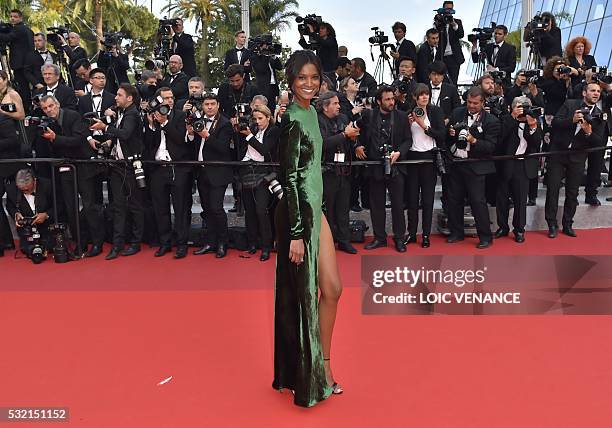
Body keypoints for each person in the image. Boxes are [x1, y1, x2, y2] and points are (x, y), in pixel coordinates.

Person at [273, 50, 343, 407]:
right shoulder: (292, 120)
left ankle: (325, 363)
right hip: (300, 215)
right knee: (305, 299)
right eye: (302, 78)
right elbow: (290, 177)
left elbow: (312, 170)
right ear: (291, 80)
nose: (309, 83)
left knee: (332, 289)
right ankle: (315, 375)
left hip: (318, 210)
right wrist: (298, 232)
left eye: (314, 78)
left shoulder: (313, 112)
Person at [89, 84, 145, 260]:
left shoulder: (133, 114)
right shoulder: (121, 113)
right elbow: (119, 137)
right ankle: (117, 244)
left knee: (135, 206)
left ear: (129, 98)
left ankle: (136, 243)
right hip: (116, 166)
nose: (115, 97)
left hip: (130, 167)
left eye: (119, 95)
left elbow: (126, 134)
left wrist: (105, 127)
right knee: (118, 207)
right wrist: (108, 142)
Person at [545, 82, 605, 238]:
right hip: (558, 153)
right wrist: (571, 120)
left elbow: (599, 142)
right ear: (584, 93)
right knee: (553, 190)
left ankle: (567, 224)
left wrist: (588, 133)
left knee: (572, 192)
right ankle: (551, 224)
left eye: (598, 91)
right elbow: (555, 123)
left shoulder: (599, 115)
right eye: (593, 90)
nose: (596, 93)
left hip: (578, 157)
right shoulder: (570, 104)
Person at [358, 85, 412, 253]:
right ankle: (379, 238)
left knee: (397, 204)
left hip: (396, 166)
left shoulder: (402, 117)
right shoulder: (369, 115)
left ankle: (399, 239)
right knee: (376, 205)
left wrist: (399, 153)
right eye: (387, 99)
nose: (391, 102)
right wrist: (358, 145)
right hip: (375, 166)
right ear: (378, 101)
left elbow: (408, 141)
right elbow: (358, 131)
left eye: (392, 99)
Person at [446, 87, 500, 249]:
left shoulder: (491, 121)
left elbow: (491, 147)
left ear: (483, 103)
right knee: (454, 200)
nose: (471, 106)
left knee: (477, 202)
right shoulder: (457, 113)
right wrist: (450, 133)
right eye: (469, 102)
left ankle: (485, 236)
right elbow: (447, 138)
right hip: (456, 163)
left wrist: (473, 140)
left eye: (475, 103)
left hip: (476, 166)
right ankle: (456, 233)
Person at [144, 87, 193, 259]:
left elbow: (181, 139)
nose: (170, 101)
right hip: (157, 169)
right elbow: (148, 145)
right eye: (166, 98)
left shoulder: (180, 116)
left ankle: (182, 244)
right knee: (160, 208)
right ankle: (165, 243)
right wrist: (151, 125)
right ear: (158, 100)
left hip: (178, 168)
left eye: (172, 97)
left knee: (180, 209)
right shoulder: (152, 116)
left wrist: (165, 122)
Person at [191, 93, 234, 258]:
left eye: (212, 104)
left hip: (218, 172)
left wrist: (207, 136)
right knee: (207, 209)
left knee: (216, 208)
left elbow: (223, 149)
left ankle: (223, 242)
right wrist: (190, 133)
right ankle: (210, 242)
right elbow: (193, 145)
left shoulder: (225, 123)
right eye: (206, 104)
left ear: (218, 105)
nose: (209, 107)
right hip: (201, 171)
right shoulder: (198, 121)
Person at [495, 96, 542, 243]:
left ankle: (519, 229)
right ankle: (502, 227)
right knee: (502, 199)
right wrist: (512, 117)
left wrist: (533, 126)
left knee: (521, 200)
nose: (523, 110)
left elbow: (536, 143)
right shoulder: (505, 120)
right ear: (512, 108)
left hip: (523, 165)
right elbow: (499, 140)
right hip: (506, 163)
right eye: (520, 107)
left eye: (526, 107)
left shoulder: (534, 121)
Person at [317, 91, 360, 254]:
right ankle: (327, 242)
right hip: (326, 171)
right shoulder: (318, 121)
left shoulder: (343, 118)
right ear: (325, 107)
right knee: (328, 210)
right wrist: (344, 135)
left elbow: (350, 135)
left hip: (344, 169)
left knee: (343, 208)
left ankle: (344, 241)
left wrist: (353, 138)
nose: (339, 106)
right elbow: (322, 143)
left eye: (338, 103)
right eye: (334, 103)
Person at [405, 84, 446, 248]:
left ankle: (426, 235)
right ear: (415, 97)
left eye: (427, 94)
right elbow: (403, 136)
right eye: (421, 95)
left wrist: (423, 125)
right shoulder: (408, 112)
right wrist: (408, 124)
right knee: (412, 199)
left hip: (429, 158)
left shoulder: (435, 111)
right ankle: (412, 233)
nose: (424, 97)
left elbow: (441, 134)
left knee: (428, 200)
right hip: (413, 158)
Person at [237, 105, 279, 261]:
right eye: (255, 119)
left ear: (268, 117)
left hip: (263, 175)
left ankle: (266, 246)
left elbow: (265, 150)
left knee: (262, 210)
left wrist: (249, 136)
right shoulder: (253, 130)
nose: (257, 122)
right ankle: (252, 243)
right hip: (247, 172)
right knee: (250, 211)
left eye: (261, 118)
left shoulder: (273, 131)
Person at [0, 71, 23, 254]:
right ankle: (6, 240)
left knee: (13, 201)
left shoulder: (12, 94)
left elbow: (21, 116)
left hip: (10, 160)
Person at [5, 169, 53, 257]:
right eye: (22, 190)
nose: (25, 192)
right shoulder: (11, 189)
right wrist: (16, 214)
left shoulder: (48, 185)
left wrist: (46, 214)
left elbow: (60, 205)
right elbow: (10, 206)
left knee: (50, 246)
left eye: (28, 189)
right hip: (27, 229)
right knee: (26, 249)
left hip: (47, 226)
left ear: (34, 181)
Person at [0, 9, 34, 107]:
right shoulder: (28, 29)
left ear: (20, 18)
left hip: (20, 63)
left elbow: (8, 38)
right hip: (27, 62)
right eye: (11, 16)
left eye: (15, 17)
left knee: (23, 87)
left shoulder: (18, 29)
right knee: (26, 87)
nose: (12, 19)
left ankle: (26, 108)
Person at [435, 1, 465, 85]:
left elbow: (461, 34)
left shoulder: (457, 22)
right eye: (446, 9)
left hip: (454, 57)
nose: (448, 11)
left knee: (453, 81)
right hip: (442, 57)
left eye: (450, 9)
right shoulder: (440, 22)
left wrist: (453, 24)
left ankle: (453, 97)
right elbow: (434, 35)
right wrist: (438, 21)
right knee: (442, 81)